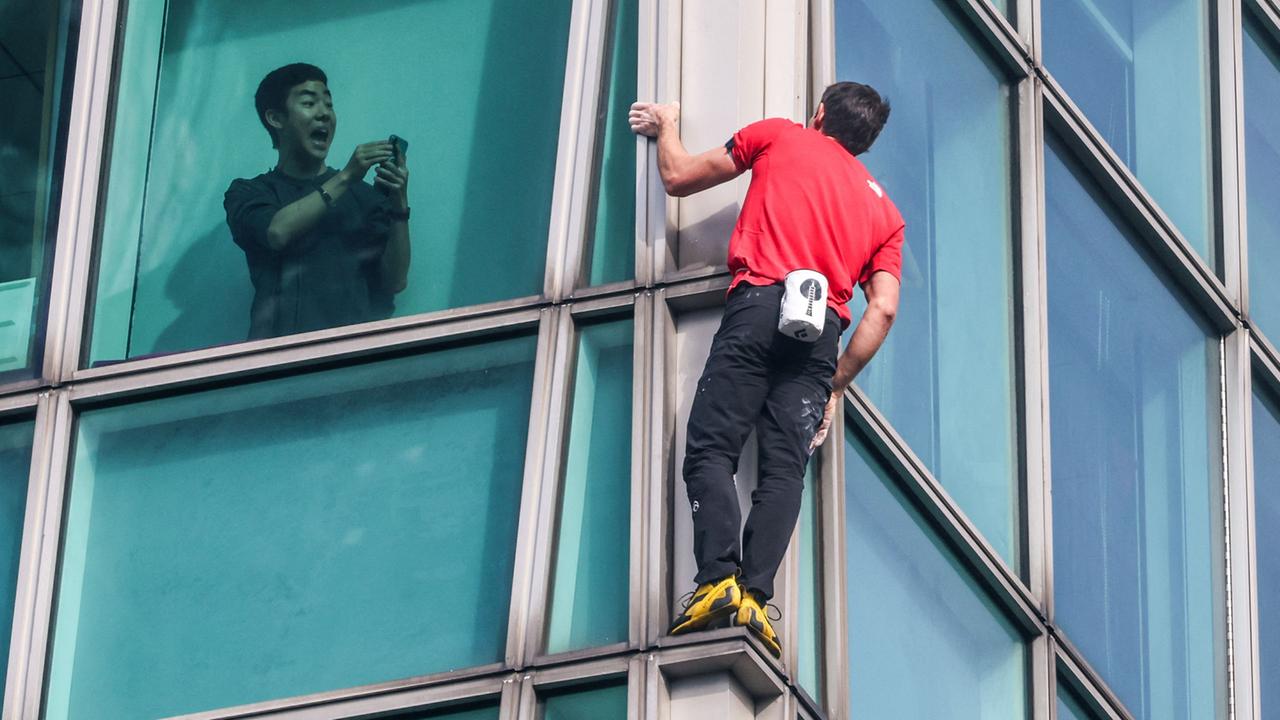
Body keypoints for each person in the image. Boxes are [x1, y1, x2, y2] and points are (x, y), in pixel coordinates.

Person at [629, 82, 903, 658]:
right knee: (782, 472)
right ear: (868, 143)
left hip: (758, 304)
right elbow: (882, 308)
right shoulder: (885, 212)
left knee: (710, 449)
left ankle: (717, 583)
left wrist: (667, 124)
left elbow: (678, 177)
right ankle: (756, 598)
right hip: (820, 336)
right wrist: (834, 382)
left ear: (820, 113)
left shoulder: (779, 135)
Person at [224, 63, 411, 341]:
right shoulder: (249, 192)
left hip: (353, 357)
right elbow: (277, 232)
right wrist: (347, 177)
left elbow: (394, 281)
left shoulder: (363, 195)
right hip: (275, 361)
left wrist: (398, 206)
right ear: (276, 118)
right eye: (309, 103)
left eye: (329, 104)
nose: (324, 114)